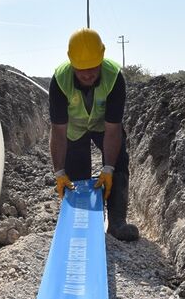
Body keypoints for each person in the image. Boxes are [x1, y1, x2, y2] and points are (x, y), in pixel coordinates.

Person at [48, 28, 140, 242]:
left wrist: (108, 168)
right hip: (74, 129)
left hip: (102, 124)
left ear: (101, 59)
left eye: (93, 68)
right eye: (81, 70)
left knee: (118, 161)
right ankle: (81, 224)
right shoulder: (60, 81)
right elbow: (59, 132)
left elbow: (113, 128)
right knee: (77, 176)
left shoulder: (114, 78)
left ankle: (116, 222)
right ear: (71, 64)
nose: (88, 74)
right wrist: (60, 172)